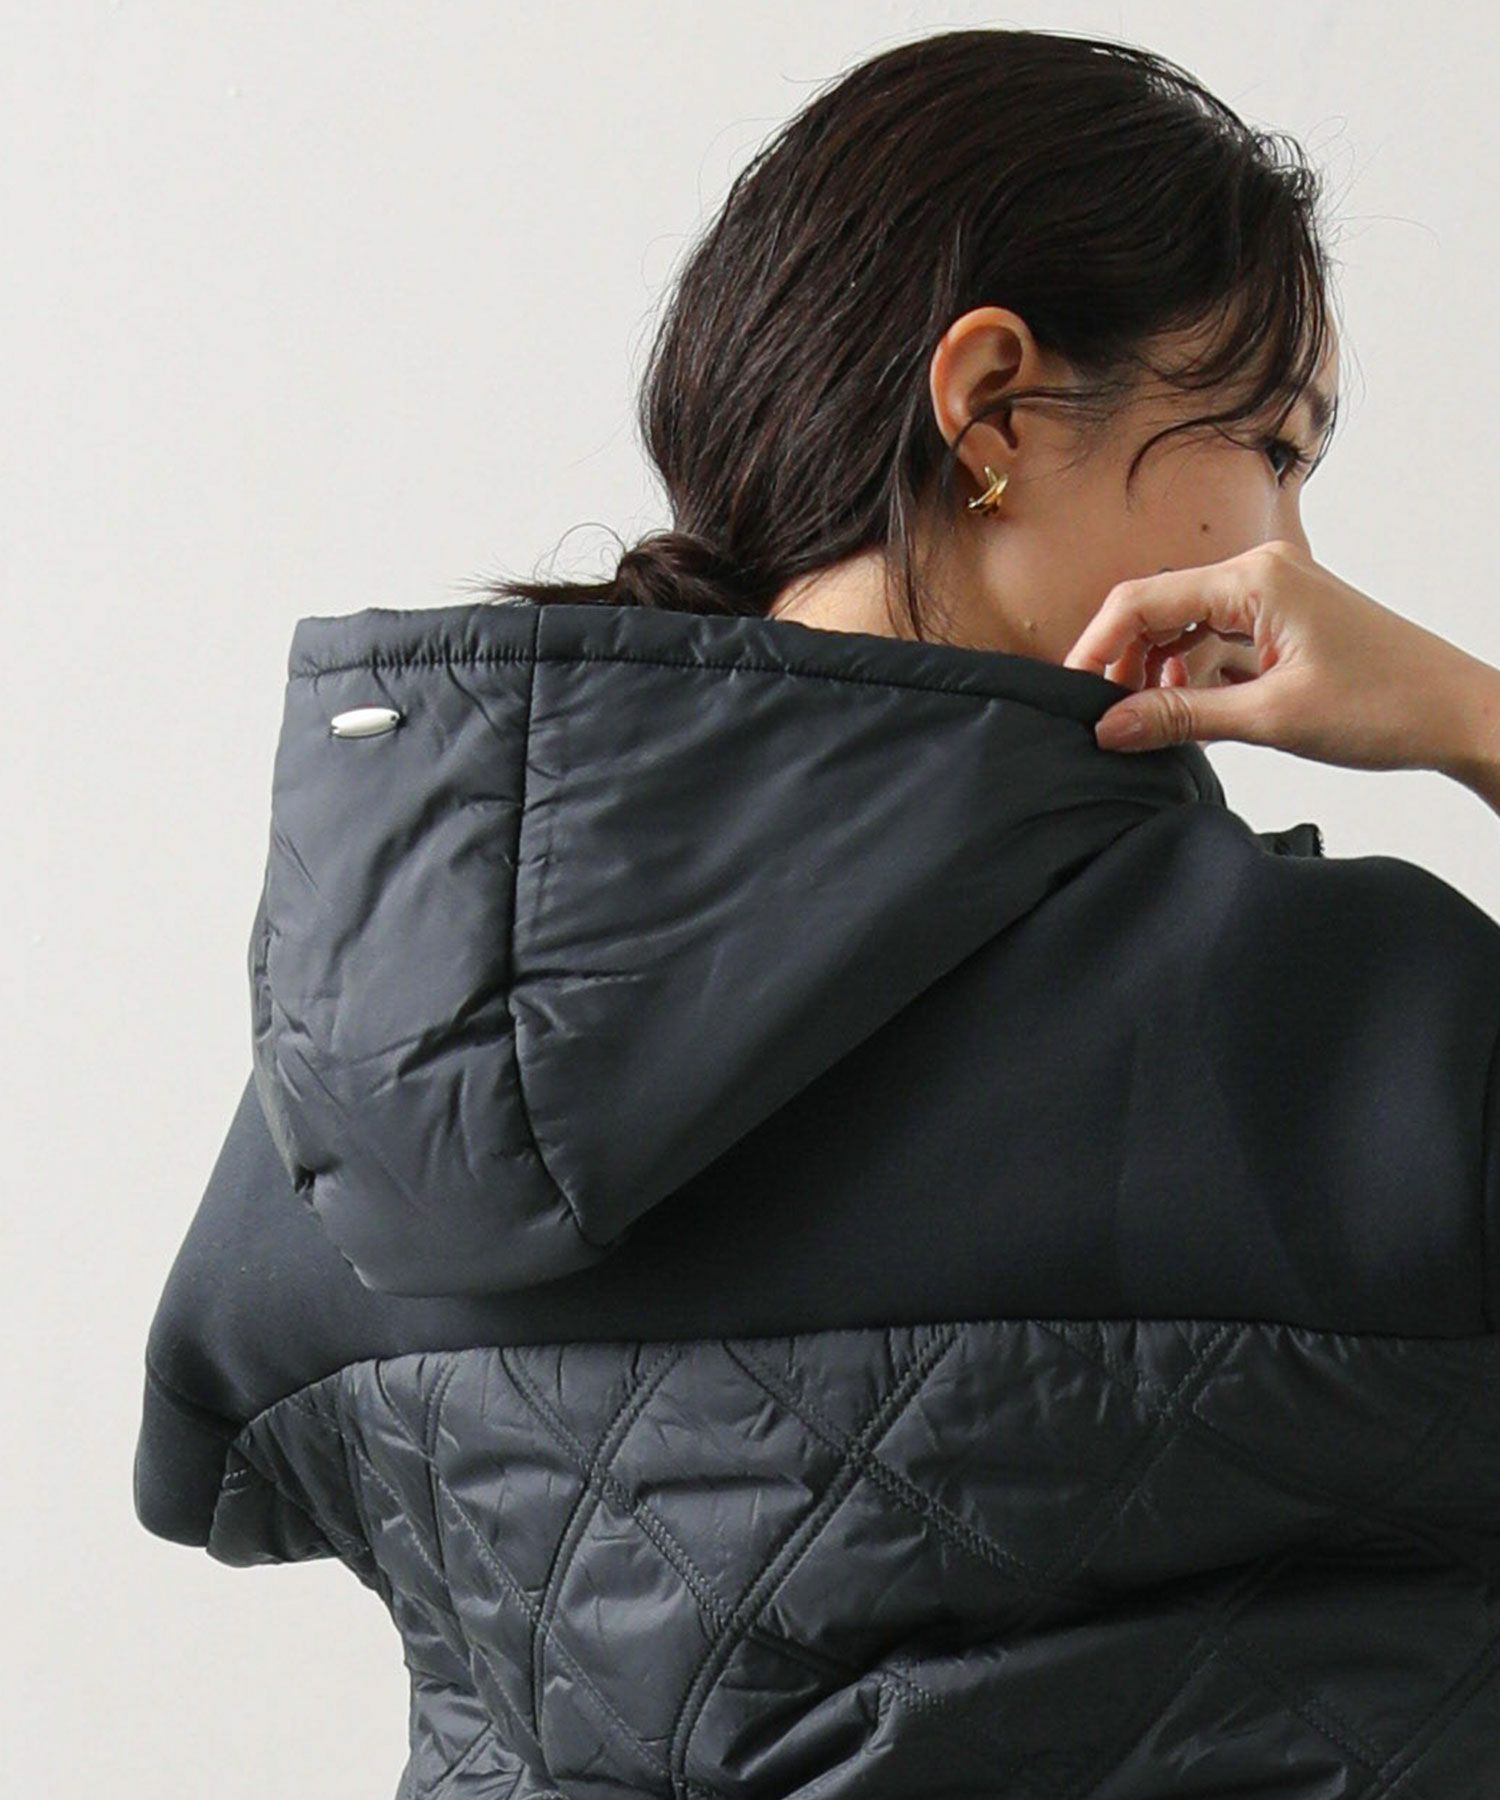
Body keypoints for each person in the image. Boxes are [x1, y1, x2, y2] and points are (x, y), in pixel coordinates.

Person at [133, 27, 1500, 1798]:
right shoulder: (1342, 1028)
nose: (1292, 556)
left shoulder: (366, 1065)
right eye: (1275, 448)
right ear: (992, 408)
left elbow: (209, 1462)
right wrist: (1470, 716)